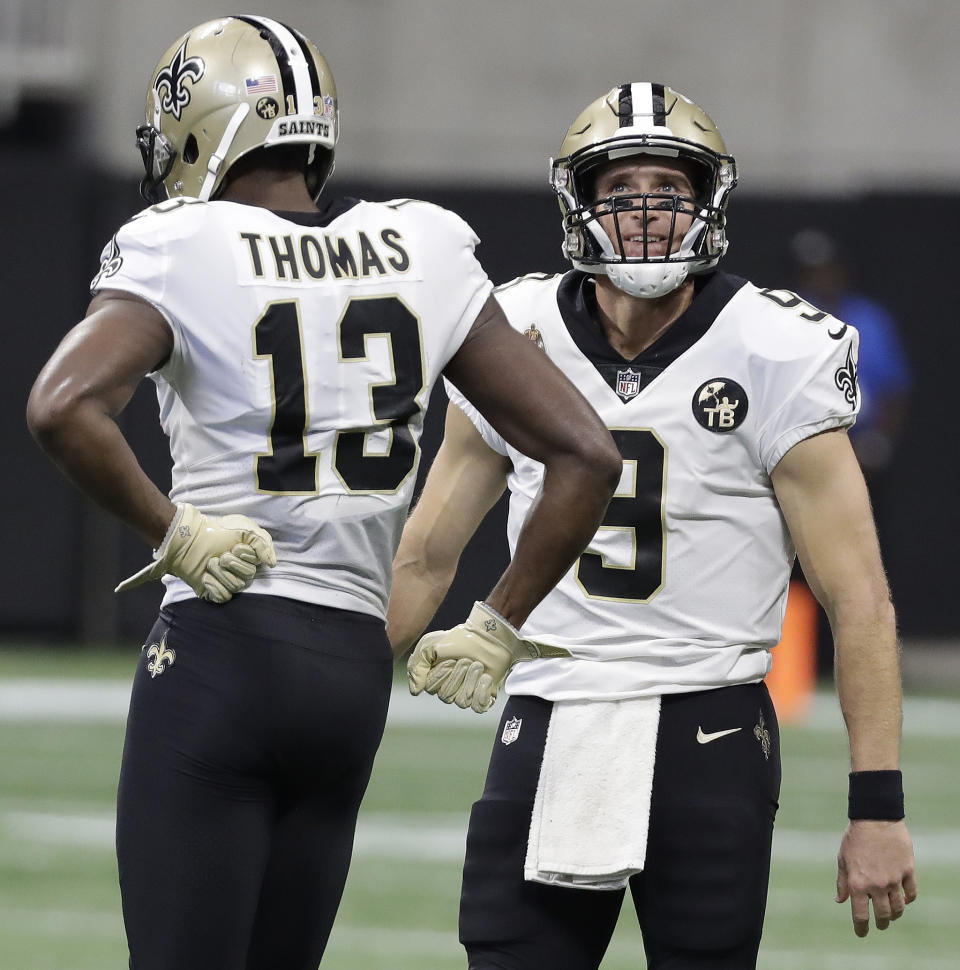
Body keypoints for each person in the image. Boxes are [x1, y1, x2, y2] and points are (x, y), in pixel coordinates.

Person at [25, 17, 620, 970]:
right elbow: (587, 453)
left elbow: (61, 407)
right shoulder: (419, 245)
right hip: (349, 671)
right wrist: (497, 622)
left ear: (199, 124)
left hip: (226, 644)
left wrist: (170, 530)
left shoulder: (179, 242)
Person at [389, 83, 918, 969]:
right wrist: (339, 696)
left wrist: (878, 806)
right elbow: (426, 550)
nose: (644, 215)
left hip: (707, 724)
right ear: (579, 205)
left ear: (706, 205)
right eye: (618, 191)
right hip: (551, 710)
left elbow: (856, 595)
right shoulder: (513, 331)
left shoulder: (775, 346)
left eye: (668, 192)